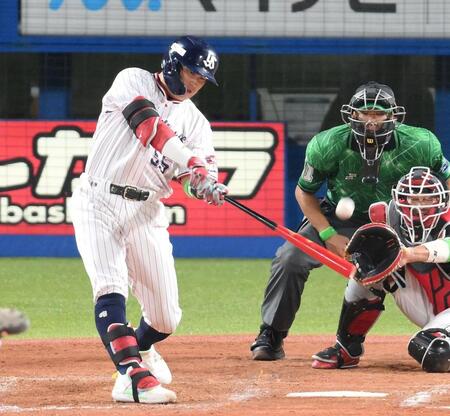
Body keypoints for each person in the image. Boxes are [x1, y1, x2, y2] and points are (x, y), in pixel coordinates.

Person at [70, 35, 228, 404]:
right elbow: (150, 128)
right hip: (98, 199)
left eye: (202, 79)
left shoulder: (197, 123)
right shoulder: (134, 80)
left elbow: (191, 180)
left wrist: (203, 186)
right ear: (173, 65)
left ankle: (140, 350)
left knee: (166, 318)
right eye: (192, 72)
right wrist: (192, 163)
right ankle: (131, 377)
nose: (195, 83)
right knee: (110, 286)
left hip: (147, 211)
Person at [250, 81, 450, 361]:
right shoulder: (327, 144)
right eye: (364, 113)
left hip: (401, 217)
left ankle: (352, 342)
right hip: (338, 217)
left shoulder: (421, 143)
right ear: (351, 115)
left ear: (393, 116)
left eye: (379, 114)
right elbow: (304, 193)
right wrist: (328, 233)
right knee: (290, 258)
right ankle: (271, 334)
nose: (371, 121)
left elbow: (447, 182)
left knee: (391, 266)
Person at [312, 167, 450, 372]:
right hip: (430, 302)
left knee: (432, 351)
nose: (418, 207)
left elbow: (445, 247)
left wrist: (409, 254)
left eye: (426, 200)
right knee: (370, 271)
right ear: (399, 199)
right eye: (412, 199)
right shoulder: (389, 216)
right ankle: (346, 349)